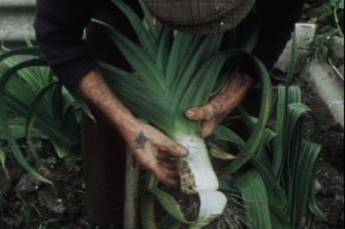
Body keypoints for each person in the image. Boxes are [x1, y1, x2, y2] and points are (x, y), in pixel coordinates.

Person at [34, 0, 305, 226]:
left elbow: (277, 24)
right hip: (120, 10)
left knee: (237, 128)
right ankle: (113, 218)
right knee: (110, 134)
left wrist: (236, 90)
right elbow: (56, 35)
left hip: (234, 25)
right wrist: (128, 125)